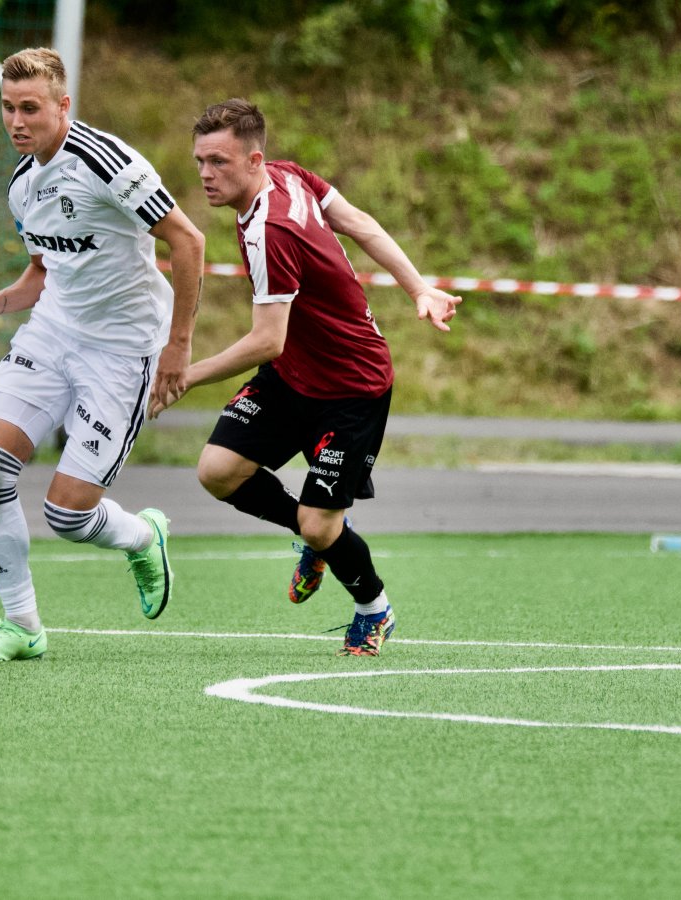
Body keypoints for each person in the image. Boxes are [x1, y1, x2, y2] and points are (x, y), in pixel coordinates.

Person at [155, 98, 460, 656]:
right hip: (294, 375)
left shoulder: (272, 230)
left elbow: (266, 338)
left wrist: (185, 375)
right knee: (218, 471)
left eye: (218, 161)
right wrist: (418, 287)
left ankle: (374, 608)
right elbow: (360, 224)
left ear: (253, 159)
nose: (205, 173)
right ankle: (313, 534)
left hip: (352, 385)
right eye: (200, 160)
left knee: (321, 526)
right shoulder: (288, 175)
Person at [0, 47, 205, 661]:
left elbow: (187, 239)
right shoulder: (21, 184)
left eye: (30, 108)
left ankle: (143, 535)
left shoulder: (104, 161)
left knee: (67, 516)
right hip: (54, 333)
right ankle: (22, 627)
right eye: (8, 108)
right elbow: (46, 267)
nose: (17, 121)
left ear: (63, 106)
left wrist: (178, 348)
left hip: (123, 351)